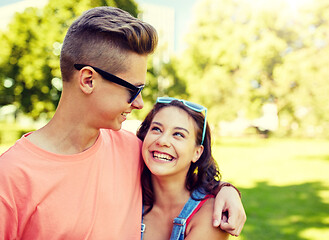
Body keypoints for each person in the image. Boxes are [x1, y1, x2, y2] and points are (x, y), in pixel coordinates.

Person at [0, 6, 245, 240]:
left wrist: (227, 190)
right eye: (133, 89)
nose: (139, 103)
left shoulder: (132, 149)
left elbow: (183, 178)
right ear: (88, 80)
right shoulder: (10, 177)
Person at [137, 97, 232, 239]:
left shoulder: (210, 215)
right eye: (156, 129)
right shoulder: (127, 195)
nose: (162, 141)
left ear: (197, 152)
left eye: (178, 134)